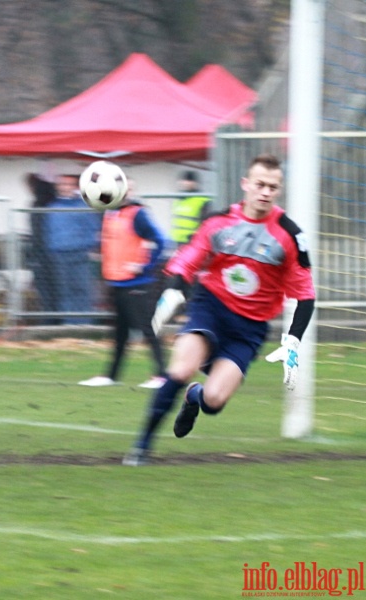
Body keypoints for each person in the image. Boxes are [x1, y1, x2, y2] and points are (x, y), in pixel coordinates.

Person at [123, 154, 315, 466]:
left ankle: (194, 397)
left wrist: (292, 341)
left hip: (250, 327)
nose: (265, 191)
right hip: (210, 308)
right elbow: (187, 259)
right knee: (181, 369)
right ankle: (141, 447)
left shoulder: (290, 235)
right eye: (260, 184)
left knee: (213, 401)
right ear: (246, 185)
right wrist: (173, 291)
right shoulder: (219, 222)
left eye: (273, 186)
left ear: (279, 190)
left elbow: (305, 293)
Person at [79, 181, 167, 389]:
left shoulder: (138, 214)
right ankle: (111, 376)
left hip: (138, 284)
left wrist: (145, 266)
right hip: (117, 283)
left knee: (148, 330)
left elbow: (161, 241)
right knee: (119, 333)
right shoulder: (110, 214)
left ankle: (162, 376)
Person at [44, 173, 100, 324]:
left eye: (69, 185)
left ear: (75, 187)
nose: (65, 188)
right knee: (65, 292)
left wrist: (88, 246)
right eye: (62, 184)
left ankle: (84, 324)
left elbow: (93, 230)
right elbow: (48, 232)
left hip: (80, 254)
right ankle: (69, 324)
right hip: (60, 255)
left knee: (82, 290)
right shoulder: (52, 207)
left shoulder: (83, 207)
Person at [25, 173, 59, 322]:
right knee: (56, 287)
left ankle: (49, 318)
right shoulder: (54, 204)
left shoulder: (37, 206)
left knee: (45, 289)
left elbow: (37, 232)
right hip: (54, 252)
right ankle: (56, 317)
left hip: (41, 253)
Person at [171, 170, 212, 247]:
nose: (185, 183)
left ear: (195, 183)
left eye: (189, 180)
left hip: (193, 241)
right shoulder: (179, 199)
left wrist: (196, 236)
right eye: (184, 180)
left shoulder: (202, 200)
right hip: (178, 241)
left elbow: (205, 222)